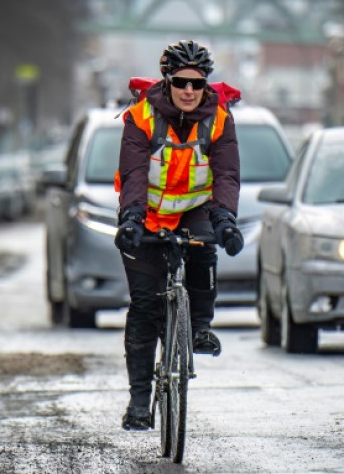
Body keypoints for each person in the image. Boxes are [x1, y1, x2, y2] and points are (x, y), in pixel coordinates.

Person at [113, 40, 244, 431]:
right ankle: (139, 402)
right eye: (181, 82)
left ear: (206, 86)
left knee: (204, 250)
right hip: (148, 214)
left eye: (197, 84)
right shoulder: (142, 117)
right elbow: (134, 173)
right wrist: (131, 218)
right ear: (167, 82)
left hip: (194, 209)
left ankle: (200, 327)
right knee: (144, 306)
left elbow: (227, 174)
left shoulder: (219, 120)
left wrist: (226, 219)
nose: (189, 91)